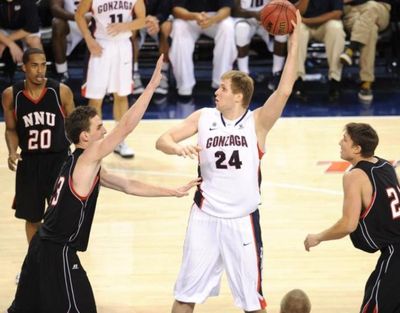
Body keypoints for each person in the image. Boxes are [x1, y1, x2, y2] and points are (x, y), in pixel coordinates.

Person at [7, 55, 200, 313]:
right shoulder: (87, 159)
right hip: (57, 252)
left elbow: (128, 185)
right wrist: (151, 87)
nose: (105, 131)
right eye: (99, 127)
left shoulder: (78, 163)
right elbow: (125, 127)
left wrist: (172, 192)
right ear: (85, 136)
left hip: (40, 250)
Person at [155, 11, 300, 313]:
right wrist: (175, 149)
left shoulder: (257, 122)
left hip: (242, 221)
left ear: (238, 96)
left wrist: (295, 37)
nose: (216, 92)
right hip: (204, 217)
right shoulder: (203, 117)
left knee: (251, 303)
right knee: (185, 295)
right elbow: (163, 139)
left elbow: (285, 89)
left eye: (222, 88)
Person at [304, 122, 400, 313]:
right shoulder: (386, 165)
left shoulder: (355, 176)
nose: (340, 143)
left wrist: (318, 237)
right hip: (393, 249)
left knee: (373, 308)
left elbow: (348, 224)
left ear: (357, 148)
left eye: (345, 139)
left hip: (395, 252)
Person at [2, 48, 75, 245]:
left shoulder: (61, 91)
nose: (40, 70)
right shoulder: (11, 95)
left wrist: (83, 156)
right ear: (23, 67)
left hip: (58, 161)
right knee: (32, 218)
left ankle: (58, 261)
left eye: (43, 65)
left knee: (59, 216)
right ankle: (34, 264)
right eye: (34, 65)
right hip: (30, 163)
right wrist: (11, 151)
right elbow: (10, 129)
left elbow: (75, 125)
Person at [75, 0, 146, 158]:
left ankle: (120, 141)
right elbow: (79, 15)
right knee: (95, 98)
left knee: (121, 96)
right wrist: (88, 39)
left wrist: (125, 26)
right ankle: (94, 143)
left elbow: (142, 20)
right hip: (100, 45)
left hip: (123, 46)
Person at [169, 0, 237, 100]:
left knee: (227, 26)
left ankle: (221, 84)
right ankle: (185, 86)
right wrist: (194, 16)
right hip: (188, 16)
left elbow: (226, 9)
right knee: (178, 26)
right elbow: (176, 9)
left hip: (215, 17)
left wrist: (213, 19)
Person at [339, 0, 391, 103]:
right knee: (371, 30)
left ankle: (351, 49)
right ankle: (366, 83)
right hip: (352, 11)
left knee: (371, 6)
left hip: (379, 8)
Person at [294, 0, 345, 102]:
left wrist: (309, 21)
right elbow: (297, 14)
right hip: (304, 25)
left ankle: (335, 80)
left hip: (324, 24)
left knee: (336, 28)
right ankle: (298, 81)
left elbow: (337, 13)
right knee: (296, 30)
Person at [232, 0, 288, 91]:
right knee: (241, 29)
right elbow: (235, 10)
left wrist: (270, 15)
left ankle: (277, 73)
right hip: (244, 18)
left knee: (282, 28)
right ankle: (243, 74)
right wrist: (254, 14)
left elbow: (280, 7)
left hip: (267, 19)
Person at [131, 0, 173, 96]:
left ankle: (163, 73)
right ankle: (134, 72)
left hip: (158, 19)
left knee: (167, 27)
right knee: (131, 31)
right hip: (137, 19)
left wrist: (156, 19)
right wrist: (142, 20)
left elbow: (166, 8)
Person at [0, 0, 43, 79]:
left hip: (24, 30)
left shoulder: (28, 2)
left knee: (34, 41)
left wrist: (5, 42)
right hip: (3, 30)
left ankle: (39, 76)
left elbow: (31, 27)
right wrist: (11, 44)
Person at [50, 0, 88, 83]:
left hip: (92, 21)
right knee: (57, 23)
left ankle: (102, 74)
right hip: (71, 20)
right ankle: (62, 71)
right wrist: (77, 17)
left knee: (104, 25)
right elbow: (55, 8)